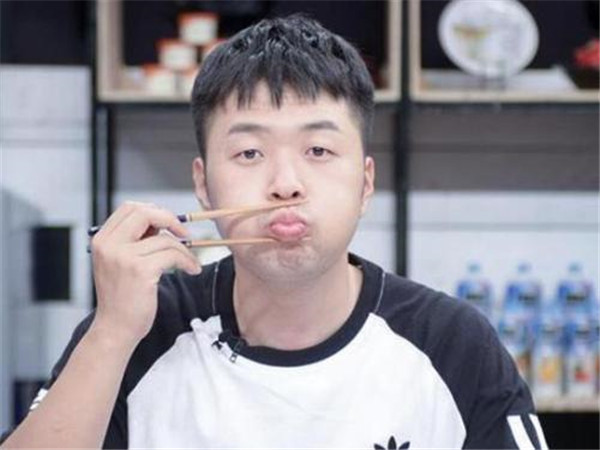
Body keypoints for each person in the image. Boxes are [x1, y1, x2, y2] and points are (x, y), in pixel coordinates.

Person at [1, 14, 547, 449]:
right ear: (203, 185)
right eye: (249, 153)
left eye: (318, 150)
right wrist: (112, 331)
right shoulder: (140, 329)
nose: (285, 184)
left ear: (364, 183)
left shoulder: (451, 344)